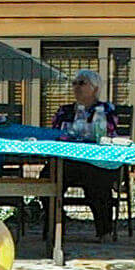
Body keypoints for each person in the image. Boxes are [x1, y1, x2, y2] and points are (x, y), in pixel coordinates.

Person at [52, 68, 121, 241]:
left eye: (81, 83)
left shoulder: (105, 109)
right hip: (67, 160)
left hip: (95, 161)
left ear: (95, 88)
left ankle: (104, 231)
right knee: (47, 178)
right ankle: (56, 228)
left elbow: (109, 133)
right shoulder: (64, 110)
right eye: (74, 83)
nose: (76, 87)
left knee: (98, 183)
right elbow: (54, 133)